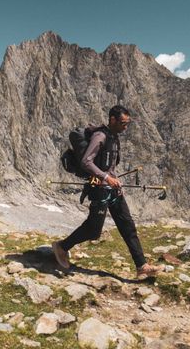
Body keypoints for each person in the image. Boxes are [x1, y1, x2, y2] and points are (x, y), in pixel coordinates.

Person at [52, 105, 164, 279]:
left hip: (113, 189)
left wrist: (113, 179)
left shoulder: (114, 137)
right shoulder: (100, 136)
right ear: (112, 119)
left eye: (127, 123)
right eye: (123, 123)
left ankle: (142, 266)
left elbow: (110, 164)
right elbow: (86, 162)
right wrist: (106, 177)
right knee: (93, 230)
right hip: (98, 189)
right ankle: (61, 247)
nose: (125, 127)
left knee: (128, 226)